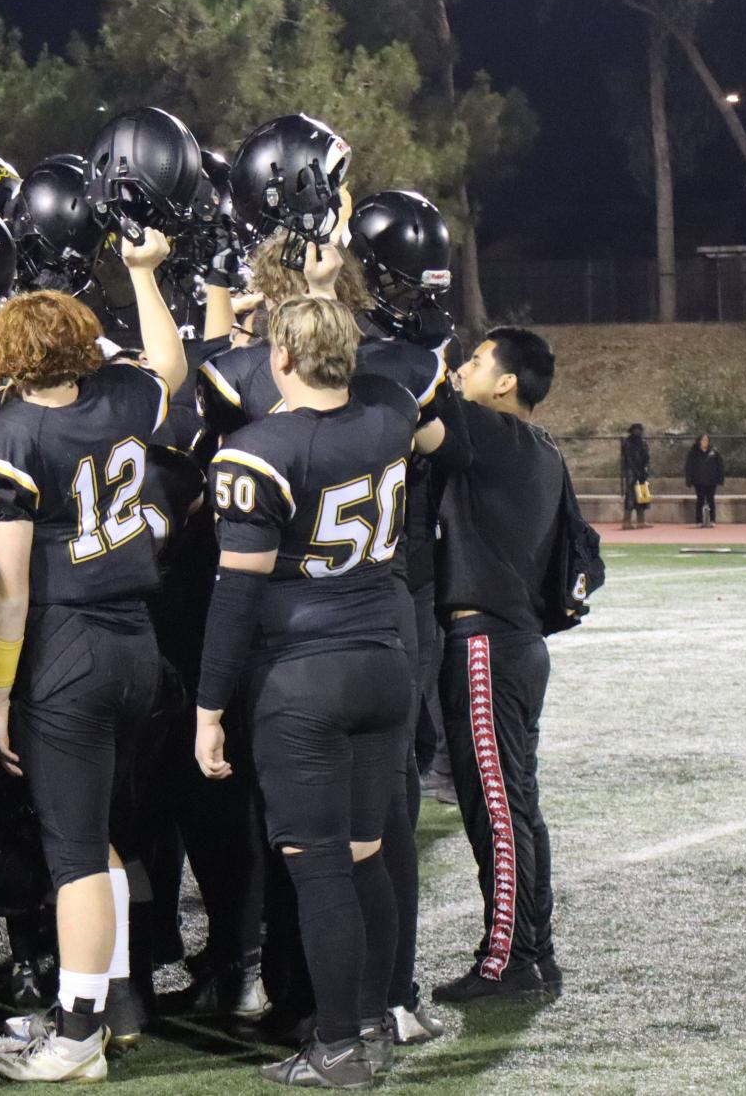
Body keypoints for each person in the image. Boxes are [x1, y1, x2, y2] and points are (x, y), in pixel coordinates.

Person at [193, 297, 445, 1088]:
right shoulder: (391, 413)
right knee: (366, 852)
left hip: (302, 673)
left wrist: (207, 709)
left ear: (280, 360)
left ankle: (336, 1046)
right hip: (384, 658)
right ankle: (370, 1016)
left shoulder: (258, 451)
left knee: (318, 865)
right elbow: (431, 428)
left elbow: (234, 598)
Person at [0, 231, 187, 1083]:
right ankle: (106, 1007)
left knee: (75, 855)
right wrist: (143, 275)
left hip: (67, 647)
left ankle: (78, 1038)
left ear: (11, 357)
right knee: (105, 840)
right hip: (138, 642)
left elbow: (7, 590)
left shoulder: (10, 438)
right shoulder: (123, 397)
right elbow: (168, 365)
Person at [431, 327, 569, 1005]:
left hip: (485, 639)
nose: (462, 370)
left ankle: (508, 958)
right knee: (517, 803)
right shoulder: (541, 446)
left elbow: (423, 397)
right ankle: (533, 952)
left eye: (476, 361)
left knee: (497, 808)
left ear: (506, 382)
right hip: (518, 639)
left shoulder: (487, 430)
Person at [684, 433, 725, 529]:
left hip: (711, 480)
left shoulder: (714, 452)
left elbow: (720, 466)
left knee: (711, 499)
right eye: (703, 440)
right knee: (700, 500)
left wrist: (720, 479)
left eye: (706, 440)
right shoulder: (693, 453)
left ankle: (712, 520)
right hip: (699, 481)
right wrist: (689, 480)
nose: (705, 442)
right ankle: (699, 520)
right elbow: (689, 467)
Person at [619, 424, 651, 530]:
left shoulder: (643, 443)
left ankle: (641, 520)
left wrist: (644, 470)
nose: (638, 432)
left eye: (639, 430)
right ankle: (626, 521)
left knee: (642, 495)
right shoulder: (628, 443)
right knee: (631, 497)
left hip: (641, 473)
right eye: (636, 430)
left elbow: (646, 457)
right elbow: (628, 459)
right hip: (631, 473)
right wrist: (635, 471)